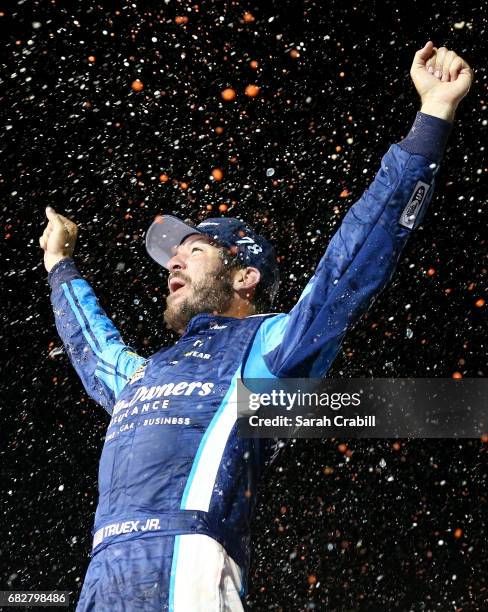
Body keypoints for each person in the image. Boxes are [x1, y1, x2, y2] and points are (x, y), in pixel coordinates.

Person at [40, 42, 472, 611]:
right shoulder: (142, 375)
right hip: (100, 579)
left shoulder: (270, 348)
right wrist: (58, 265)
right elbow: (91, 344)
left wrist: (431, 119)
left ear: (244, 276)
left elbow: (354, 259)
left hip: (191, 562)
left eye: (193, 249)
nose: (173, 261)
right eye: (174, 253)